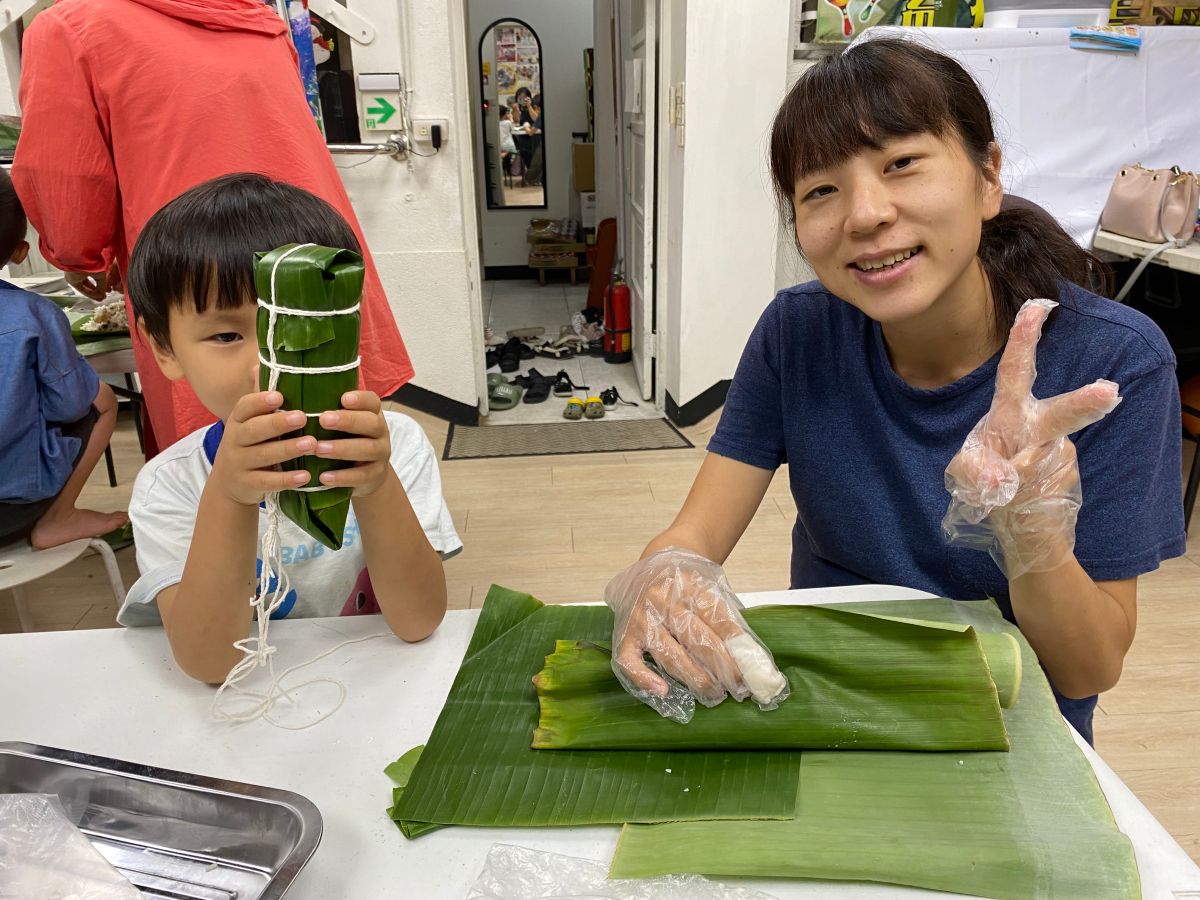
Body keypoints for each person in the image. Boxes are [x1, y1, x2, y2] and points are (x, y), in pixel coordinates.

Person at [604, 37, 1185, 745]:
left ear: (988, 177)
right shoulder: (798, 332)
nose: (865, 214)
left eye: (902, 164)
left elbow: (1086, 670)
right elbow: (695, 534)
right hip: (827, 704)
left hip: (1010, 726)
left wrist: (1033, 534)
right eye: (821, 190)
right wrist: (661, 578)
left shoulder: (1110, 363)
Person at [11, 0, 415, 457]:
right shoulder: (256, 16)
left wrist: (78, 255)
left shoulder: (69, 26)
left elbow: (66, 175)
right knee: (337, 432)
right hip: (313, 249)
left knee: (221, 450)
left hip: (197, 258)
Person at [117, 174, 461, 685]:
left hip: (379, 690)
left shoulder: (398, 445)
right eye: (227, 334)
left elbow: (419, 622)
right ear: (164, 347)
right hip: (241, 713)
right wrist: (230, 497)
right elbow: (210, 665)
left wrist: (375, 483)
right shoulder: (170, 486)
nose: (270, 369)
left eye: (303, 327)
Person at [0, 170, 128, 550]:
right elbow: (70, 404)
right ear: (21, 252)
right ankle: (59, 517)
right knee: (101, 401)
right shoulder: (33, 315)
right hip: (12, 509)